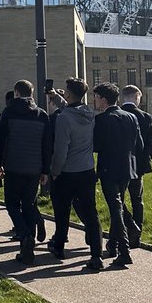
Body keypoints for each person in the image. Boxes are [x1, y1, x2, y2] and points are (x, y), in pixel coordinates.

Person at [0, 79, 53, 265]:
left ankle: (25, 236)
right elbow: (47, 145)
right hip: (34, 168)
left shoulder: (8, 112)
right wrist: (45, 170)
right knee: (28, 205)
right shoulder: (41, 114)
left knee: (12, 204)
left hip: (13, 166)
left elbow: (0, 140)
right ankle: (28, 250)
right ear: (32, 93)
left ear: (16, 93)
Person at [48, 76, 104, 271]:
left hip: (67, 172)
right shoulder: (89, 113)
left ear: (69, 93)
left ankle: (59, 246)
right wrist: (55, 97)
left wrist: (55, 171)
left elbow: (61, 149)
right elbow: (69, 107)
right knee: (91, 212)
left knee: (62, 212)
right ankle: (96, 255)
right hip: (87, 170)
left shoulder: (63, 119)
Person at [93, 82, 145, 269]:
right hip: (127, 169)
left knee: (116, 209)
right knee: (118, 206)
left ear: (104, 100)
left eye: (97, 98)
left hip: (109, 169)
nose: (95, 101)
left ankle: (124, 250)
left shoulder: (102, 120)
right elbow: (139, 145)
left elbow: (96, 146)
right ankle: (115, 244)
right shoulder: (131, 117)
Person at [120, 85, 152, 246]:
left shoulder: (115, 114)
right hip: (138, 165)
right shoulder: (146, 117)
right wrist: (145, 161)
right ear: (136, 97)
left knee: (118, 200)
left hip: (119, 164)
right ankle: (137, 233)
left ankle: (126, 227)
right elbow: (150, 145)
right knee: (137, 199)